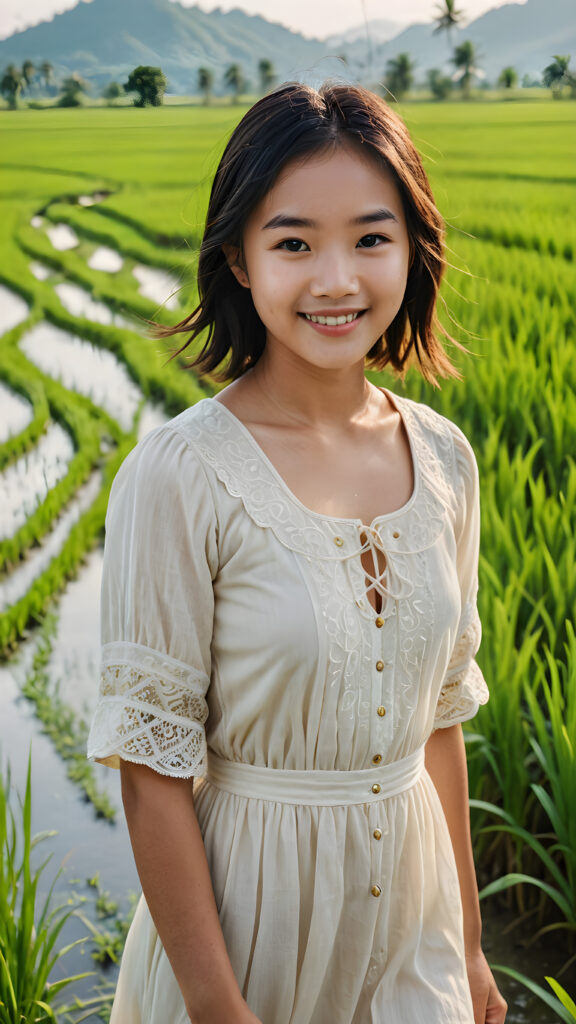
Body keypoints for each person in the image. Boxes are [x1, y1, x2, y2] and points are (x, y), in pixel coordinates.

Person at [87, 82, 508, 1024]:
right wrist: (219, 1009)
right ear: (238, 257)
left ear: (412, 247)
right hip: (249, 930)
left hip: (416, 923)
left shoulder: (443, 458)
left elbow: (438, 724)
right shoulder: (178, 474)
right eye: (293, 243)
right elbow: (153, 775)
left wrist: (472, 950)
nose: (336, 280)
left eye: (370, 237)